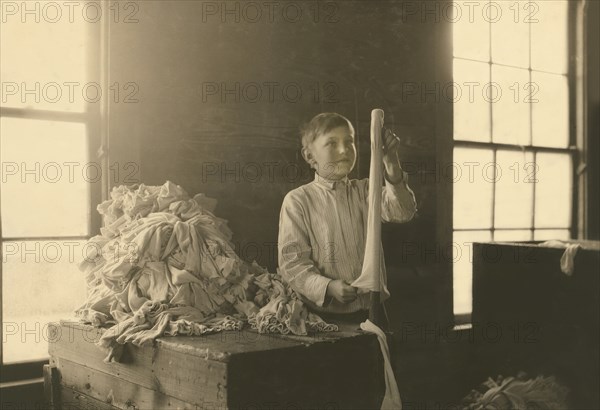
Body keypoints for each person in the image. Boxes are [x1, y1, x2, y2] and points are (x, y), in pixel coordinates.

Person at [277, 112, 417, 320]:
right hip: (324, 315)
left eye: (349, 142)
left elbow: (403, 212)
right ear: (309, 156)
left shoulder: (367, 190)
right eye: (332, 143)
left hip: (373, 311)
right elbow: (292, 265)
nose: (344, 150)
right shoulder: (298, 201)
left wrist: (391, 162)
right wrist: (328, 287)